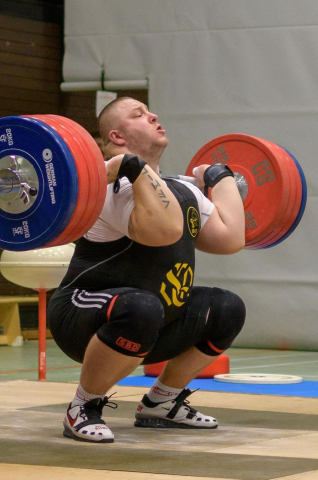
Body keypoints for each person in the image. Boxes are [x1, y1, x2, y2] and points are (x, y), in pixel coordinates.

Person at [47, 97, 246, 444]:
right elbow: (163, 231)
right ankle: (82, 406)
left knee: (227, 308)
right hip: (83, 315)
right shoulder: (107, 187)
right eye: (139, 115)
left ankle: (161, 402)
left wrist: (220, 176)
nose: (153, 115)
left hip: (151, 322)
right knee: (142, 308)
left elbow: (230, 239)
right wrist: (132, 168)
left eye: (150, 111)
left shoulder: (181, 189)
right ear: (117, 136)